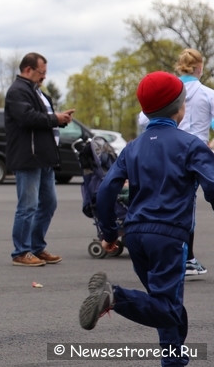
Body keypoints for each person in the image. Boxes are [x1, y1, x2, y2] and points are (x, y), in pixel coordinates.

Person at [79, 71, 214, 366]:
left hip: (135, 235)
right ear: (181, 108)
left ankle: (174, 360)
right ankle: (113, 297)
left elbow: (105, 192)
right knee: (166, 307)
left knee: (163, 303)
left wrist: (110, 233)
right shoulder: (190, 145)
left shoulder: (132, 147)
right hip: (169, 236)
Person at [137, 49, 213, 277]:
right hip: (193, 153)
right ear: (199, 68)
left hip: (161, 150)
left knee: (160, 199)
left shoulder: (168, 91)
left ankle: (160, 252)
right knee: (186, 205)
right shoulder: (207, 94)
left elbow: (143, 119)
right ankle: (186, 257)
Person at [4, 52, 74, 267]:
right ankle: (21, 252)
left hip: (44, 158)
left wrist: (60, 120)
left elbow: (42, 120)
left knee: (49, 203)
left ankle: (36, 247)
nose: (44, 77)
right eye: (41, 73)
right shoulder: (17, 91)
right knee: (27, 206)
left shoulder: (38, 92)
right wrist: (55, 118)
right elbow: (27, 118)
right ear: (28, 70)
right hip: (29, 158)